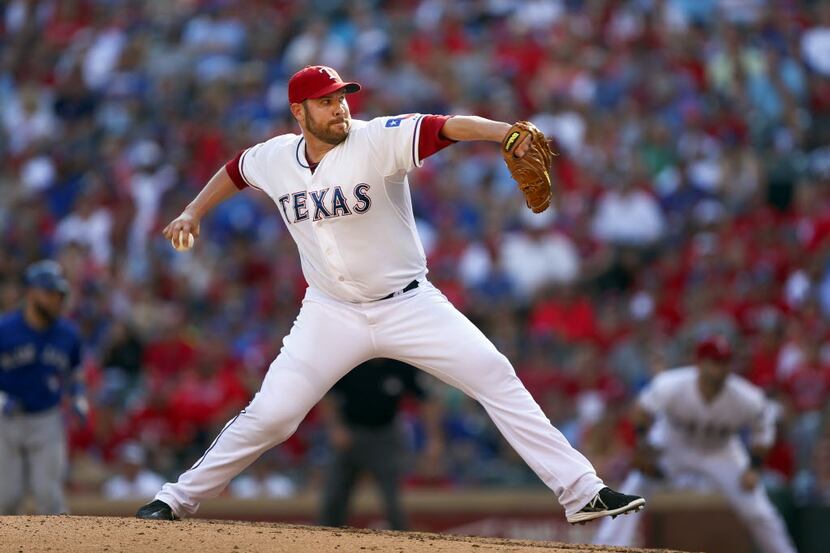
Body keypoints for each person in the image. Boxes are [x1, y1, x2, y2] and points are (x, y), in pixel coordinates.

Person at [136, 65, 645, 524]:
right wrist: (192, 211)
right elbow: (235, 170)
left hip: (409, 304)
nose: (340, 107)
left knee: (494, 374)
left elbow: (446, 126)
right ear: (299, 112)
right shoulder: (274, 158)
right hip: (329, 312)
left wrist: (503, 132)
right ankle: (175, 500)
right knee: (272, 416)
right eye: (326, 101)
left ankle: (583, 491)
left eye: (342, 98)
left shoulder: (376, 139)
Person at [592, 335, 797, 553]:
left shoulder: (746, 397)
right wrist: (643, 445)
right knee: (634, 491)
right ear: (699, 362)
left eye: (725, 362)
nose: (720, 368)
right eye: (714, 361)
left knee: (758, 510)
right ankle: (603, 549)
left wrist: (754, 467)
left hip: (721, 451)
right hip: (673, 445)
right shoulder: (672, 384)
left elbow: (763, 428)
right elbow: (641, 411)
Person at [0, 260, 89, 514]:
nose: (56, 299)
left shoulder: (67, 333)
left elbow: (76, 370)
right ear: (31, 292)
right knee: (5, 498)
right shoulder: (5, 329)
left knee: (49, 496)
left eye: (59, 294)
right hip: (6, 420)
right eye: (50, 292)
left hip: (46, 418)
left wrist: (79, 396)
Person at [318, 358, 443, 530]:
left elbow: (427, 399)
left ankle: (402, 544)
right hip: (350, 436)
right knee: (334, 498)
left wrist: (433, 439)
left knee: (394, 502)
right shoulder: (350, 359)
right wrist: (335, 428)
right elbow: (327, 396)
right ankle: (324, 542)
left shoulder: (402, 364)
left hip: (386, 436)